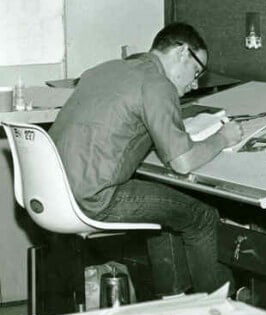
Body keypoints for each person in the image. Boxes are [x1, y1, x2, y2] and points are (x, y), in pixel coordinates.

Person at [49, 22, 243, 297]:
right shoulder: (157, 84)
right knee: (202, 217)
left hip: (56, 190)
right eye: (197, 71)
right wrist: (224, 137)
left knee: (169, 210)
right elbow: (182, 163)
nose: (195, 82)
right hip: (94, 198)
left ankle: (172, 303)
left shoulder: (105, 69)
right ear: (182, 52)